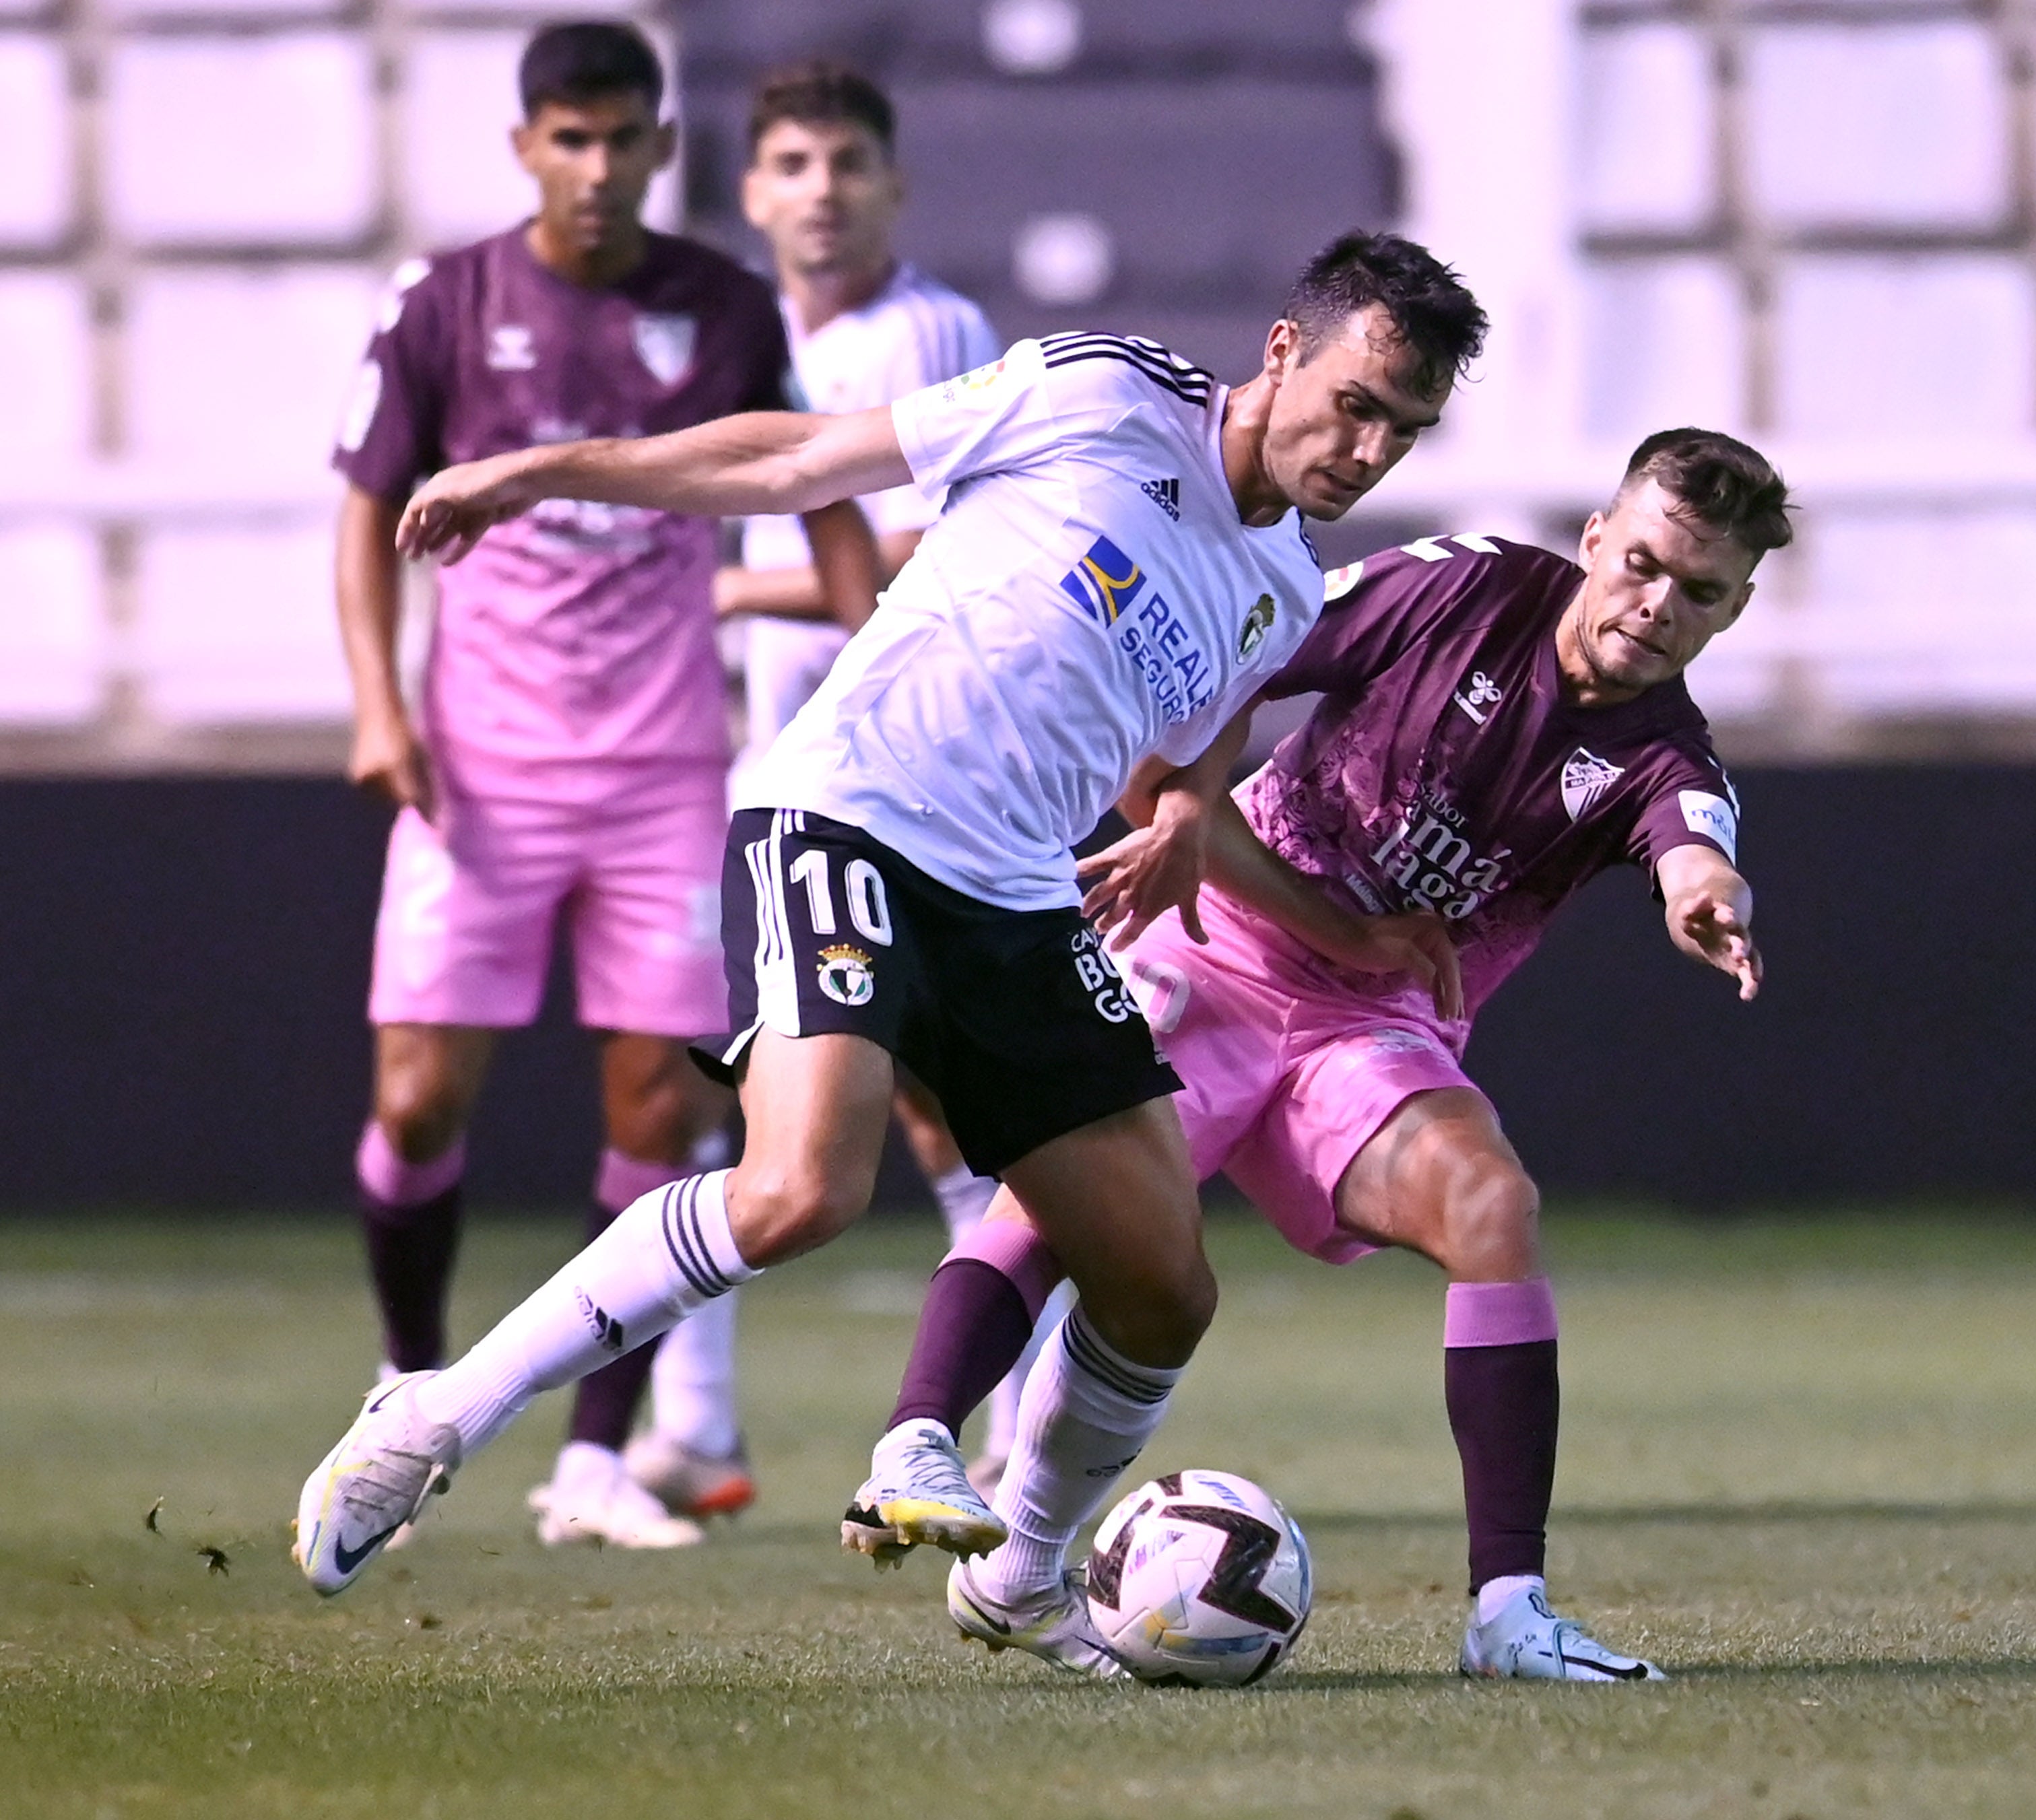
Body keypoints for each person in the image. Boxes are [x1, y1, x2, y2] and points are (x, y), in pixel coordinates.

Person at [293, 232, 1488, 1672]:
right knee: (802, 1186)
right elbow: (798, 459)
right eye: (1356, 402)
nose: (1367, 449)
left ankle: (1022, 1577)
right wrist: (539, 469)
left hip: (1018, 896)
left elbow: (1173, 771)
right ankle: (435, 1413)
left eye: (1403, 431)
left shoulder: (1284, 586)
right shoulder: (1102, 395)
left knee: (1164, 1282)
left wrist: (1217, 841)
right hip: (847, 813)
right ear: (1285, 351)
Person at [876, 428, 1787, 1680]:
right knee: (1061, 1208)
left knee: (1492, 1202)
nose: (1655, 605)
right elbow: (1238, 665)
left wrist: (1704, 896)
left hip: (1368, 1031)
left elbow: (1694, 840)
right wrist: (1195, 810)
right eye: (1642, 563)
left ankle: (1508, 1616)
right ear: (1595, 538)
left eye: (1699, 593)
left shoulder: (1664, 753)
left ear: (1736, 609)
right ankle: (921, 1446)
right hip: (1211, 941)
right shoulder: (1459, 585)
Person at [330, 20, 878, 1550]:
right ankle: (401, 1380)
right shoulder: (448, 303)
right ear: (526, 148)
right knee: (416, 1095)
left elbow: (807, 484)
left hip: (660, 778)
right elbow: (363, 513)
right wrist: (379, 704)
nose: (592, 166)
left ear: (656, 147)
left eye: (618, 138)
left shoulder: (721, 310)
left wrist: (892, 655)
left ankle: (591, 1452)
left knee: (653, 1100)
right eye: (564, 139)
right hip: (479, 777)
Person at [632, 62, 1034, 1518]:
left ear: (893, 184)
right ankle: (697, 1428)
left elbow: (936, 554)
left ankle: (1017, 1410)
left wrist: (730, 585)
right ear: (749, 190)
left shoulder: (927, 331)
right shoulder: (736, 331)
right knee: (714, 1083)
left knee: (932, 1104)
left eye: (846, 161)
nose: (819, 188)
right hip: (761, 767)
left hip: (901, 767)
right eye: (791, 162)